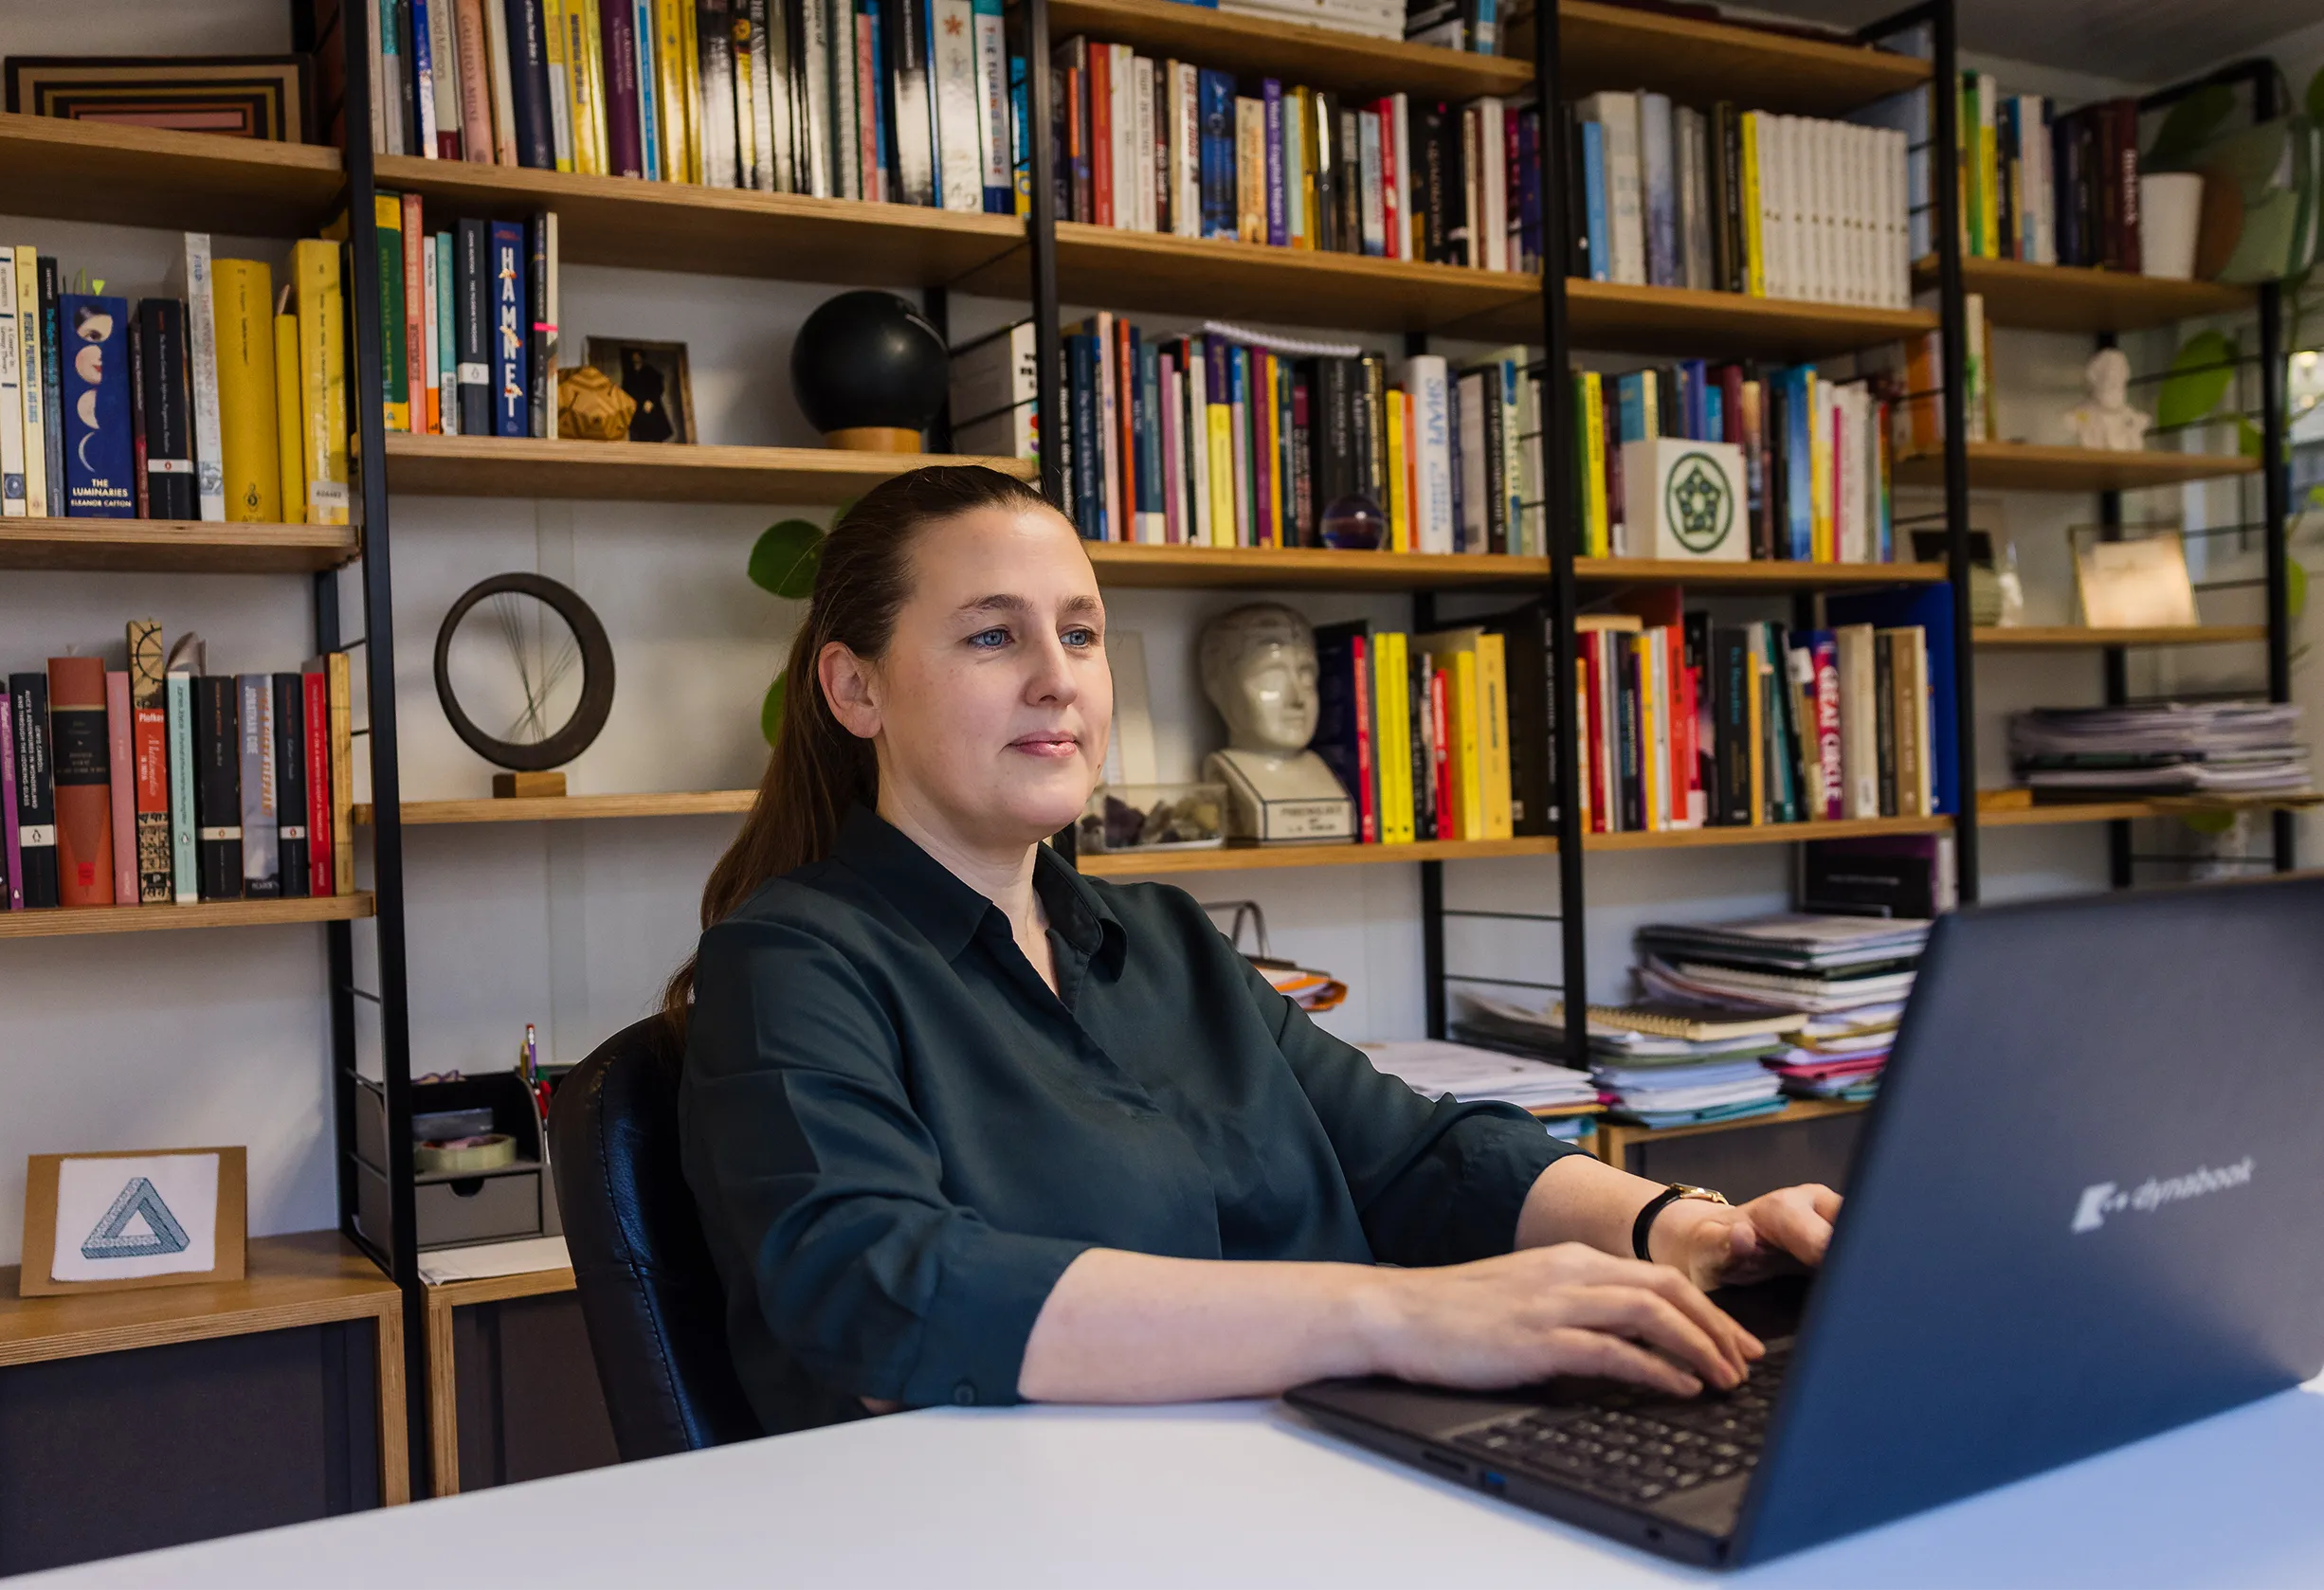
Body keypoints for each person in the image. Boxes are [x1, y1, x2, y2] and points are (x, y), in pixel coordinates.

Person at [675, 465, 1842, 1437]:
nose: (1057, 677)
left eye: (1080, 632)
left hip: (1317, 1476)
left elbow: (1417, 1156)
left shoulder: (1166, 939)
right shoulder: (789, 962)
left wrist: (1687, 1232)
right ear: (853, 687)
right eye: (992, 634)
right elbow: (881, 1295)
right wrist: (1396, 1317)